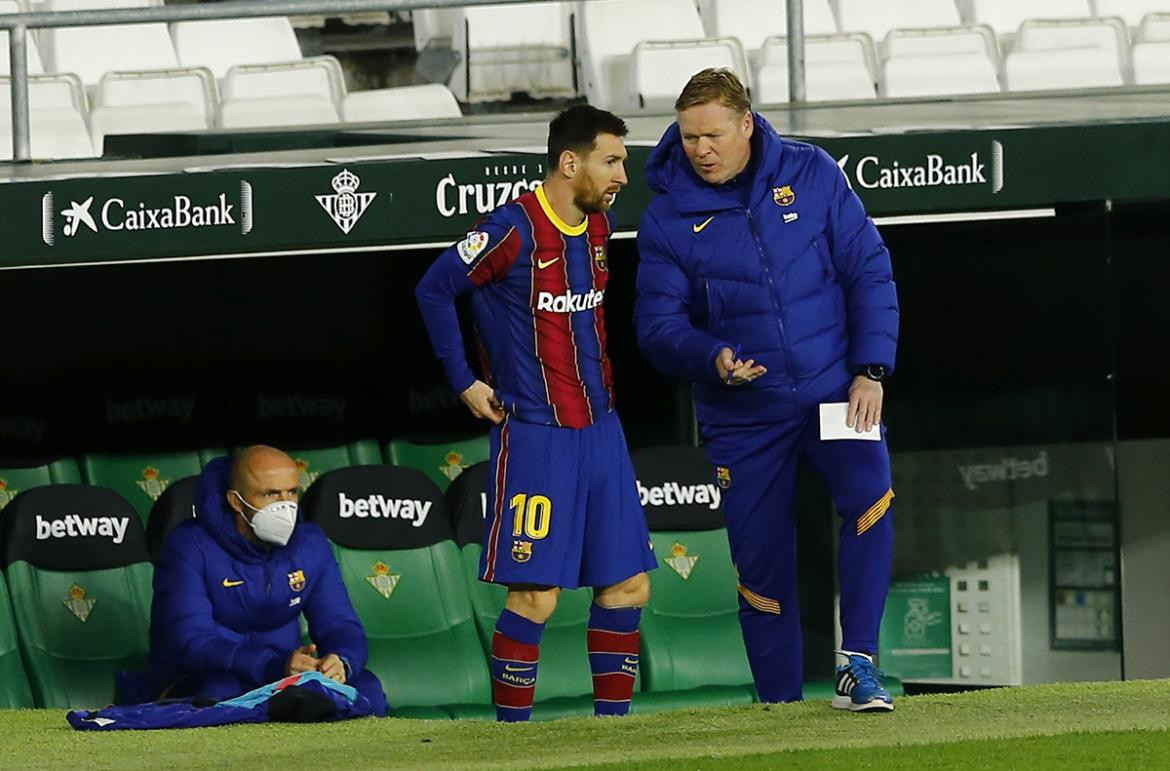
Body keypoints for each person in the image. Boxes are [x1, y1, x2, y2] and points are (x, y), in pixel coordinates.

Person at [633, 69, 899, 711]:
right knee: (760, 565)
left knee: (872, 501)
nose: (701, 149)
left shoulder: (812, 172)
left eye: (713, 134)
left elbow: (869, 270)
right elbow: (657, 326)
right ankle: (779, 708)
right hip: (742, 415)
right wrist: (712, 356)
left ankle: (857, 664)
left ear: (746, 124)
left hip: (837, 389)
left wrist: (872, 368)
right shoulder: (667, 216)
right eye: (690, 136)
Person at [415, 104, 656, 722]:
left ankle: (614, 735)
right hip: (536, 436)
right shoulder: (511, 229)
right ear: (570, 162)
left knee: (629, 583)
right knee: (537, 594)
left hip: (602, 429)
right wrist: (464, 380)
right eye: (612, 161)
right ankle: (512, 736)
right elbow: (434, 288)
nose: (622, 176)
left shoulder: (599, 227)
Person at [137, 445, 387, 715]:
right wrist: (272, 665)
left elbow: (340, 622)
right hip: (200, 678)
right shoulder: (189, 546)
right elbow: (190, 640)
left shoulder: (310, 543)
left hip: (284, 677)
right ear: (235, 501)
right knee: (220, 689)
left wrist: (341, 661)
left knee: (367, 686)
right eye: (271, 494)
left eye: (292, 492)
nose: (285, 505)